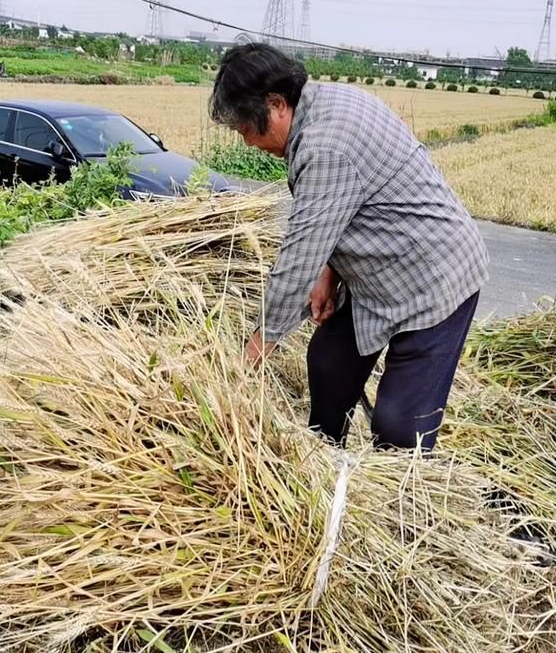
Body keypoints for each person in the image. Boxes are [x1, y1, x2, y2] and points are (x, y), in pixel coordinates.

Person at [209, 43, 488, 451]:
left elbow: (298, 257)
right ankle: (325, 460)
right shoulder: (322, 102)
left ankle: (398, 497)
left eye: (248, 128)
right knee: (329, 364)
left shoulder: (326, 146)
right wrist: (329, 273)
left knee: (399, 429)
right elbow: (347, 207)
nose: (249, 142)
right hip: (383, 269)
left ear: (276, 103)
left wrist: (254, 350)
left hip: (435, 277)